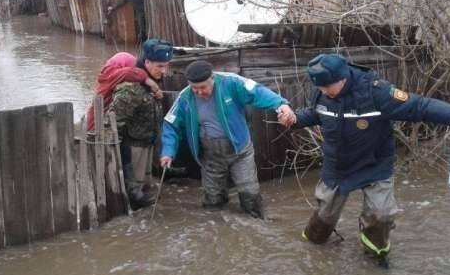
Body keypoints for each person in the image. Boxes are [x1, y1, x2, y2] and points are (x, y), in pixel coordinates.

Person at [287, 53, 450, 265]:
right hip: (338, 165)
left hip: (374, 164)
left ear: (343, 78)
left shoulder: (377, 92)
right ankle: (313, 246)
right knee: (325, 216)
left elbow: (419, 106)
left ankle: (375, 253)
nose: (323, 92)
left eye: (326, 87)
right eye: (320, 88)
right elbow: (317, 114)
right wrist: (295, 119)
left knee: (381, 215)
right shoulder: (323, 93)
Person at [160, 60, 296, 219]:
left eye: (203, 87)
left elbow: (258, 92)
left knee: (249, 196)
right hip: (210, 155)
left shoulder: (231, 82)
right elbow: (170, 123)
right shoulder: (185, 96)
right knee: (213, 202)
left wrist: (281, 105)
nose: (199, 92)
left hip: (240, 152)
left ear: (212, 78)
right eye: (194, 88)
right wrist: (168, 151)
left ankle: (256, 224)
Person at [109, 39, 173, 210]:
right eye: (160, 66)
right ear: (147, 62)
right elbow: (114, 124)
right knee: (135, 195)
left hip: (148, 144)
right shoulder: (131, 88)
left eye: (166, 66)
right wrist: (125, 161)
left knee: (146, 189)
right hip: (133, 148)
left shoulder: (152, 82)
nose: (164, 71)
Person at [85, 52, 162, 132]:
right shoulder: (112, 74)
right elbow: (128, 72)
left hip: (101, 122)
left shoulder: (110, 76)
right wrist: (148, 80)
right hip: (97, 127)